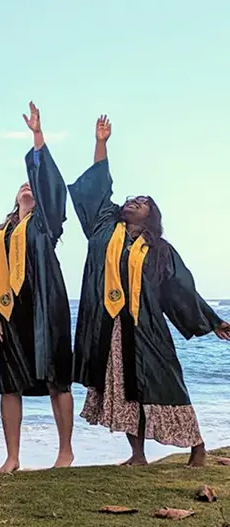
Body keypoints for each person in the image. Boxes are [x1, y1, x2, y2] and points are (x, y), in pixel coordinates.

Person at [69, 115, 230, 467]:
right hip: (109, 324)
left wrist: (214, 320)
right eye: (131, 200)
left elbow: (181, 290)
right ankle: (137, 454)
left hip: (147, 329)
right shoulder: (103, 228)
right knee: (124, 389)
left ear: (151, 215)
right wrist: (101, 143)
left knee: (166, 384)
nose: (133, 202)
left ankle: (197, 446)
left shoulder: (160, 250)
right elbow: (97, 188)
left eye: (141, 202)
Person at [0, 102, 74, 472]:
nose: (27, 186)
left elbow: (51, 184)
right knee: (9, 383)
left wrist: (38, 136)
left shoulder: (46, 224)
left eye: (31, 185)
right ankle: (12, 457)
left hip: (46, 305)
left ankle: (65, 451)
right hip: (8, 311)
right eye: (21, 185)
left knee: (57, 377)